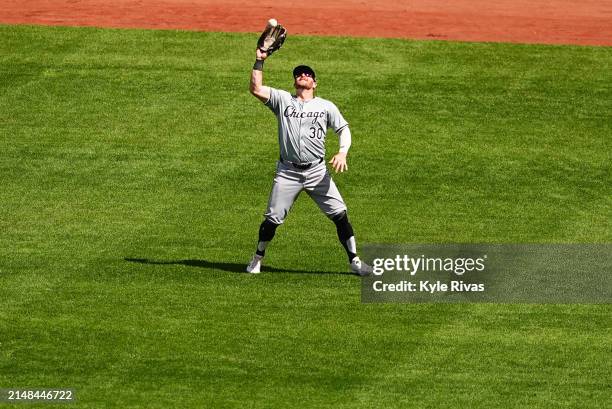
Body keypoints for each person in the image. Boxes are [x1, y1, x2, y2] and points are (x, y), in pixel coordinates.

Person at [246, 47, 372, 276]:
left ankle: (354, 261)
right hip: (288, 172)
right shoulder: (283, 100)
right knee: (272, 220)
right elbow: (255, 88)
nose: (302, 75)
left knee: (340, 215)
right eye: (298, 74)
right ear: (295, 82)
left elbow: (344, 129)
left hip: (317, 171)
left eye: (307, 74)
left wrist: (343, 152)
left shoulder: (326, 106)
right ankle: (257, 258)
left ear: (315, 83)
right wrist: (259, 60)